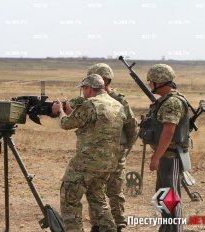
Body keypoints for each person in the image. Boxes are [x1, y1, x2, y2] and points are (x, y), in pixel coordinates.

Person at [52, 74, 126, 232]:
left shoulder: (91, 104)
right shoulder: (117, 105)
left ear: (89, 88)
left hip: (86, 163)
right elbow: (91, 124)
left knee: (69, 199)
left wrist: (60, 112)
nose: (83, 93)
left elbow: (66, 123)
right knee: (97, 199)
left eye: (83, 89)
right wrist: (72, 111)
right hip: (107, 164)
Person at [86, 63, 138, 232]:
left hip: (107, 151)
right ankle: (103, 223)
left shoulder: (116, 99)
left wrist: (124, 149)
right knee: (100, 188)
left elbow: (132, 126)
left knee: (107, 189)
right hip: (104, 151)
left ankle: (113, 223)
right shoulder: (96, 100)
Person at [141, 64, 190, 232]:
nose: (150, 85)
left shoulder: (172, 102)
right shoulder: (165, 101)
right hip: (165, 156)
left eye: (152, 82)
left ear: (160, 82)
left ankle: (175, 229)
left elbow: (169, 131)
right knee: (163, 196)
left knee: (172, 197)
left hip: (172, 157)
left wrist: (156, 157)